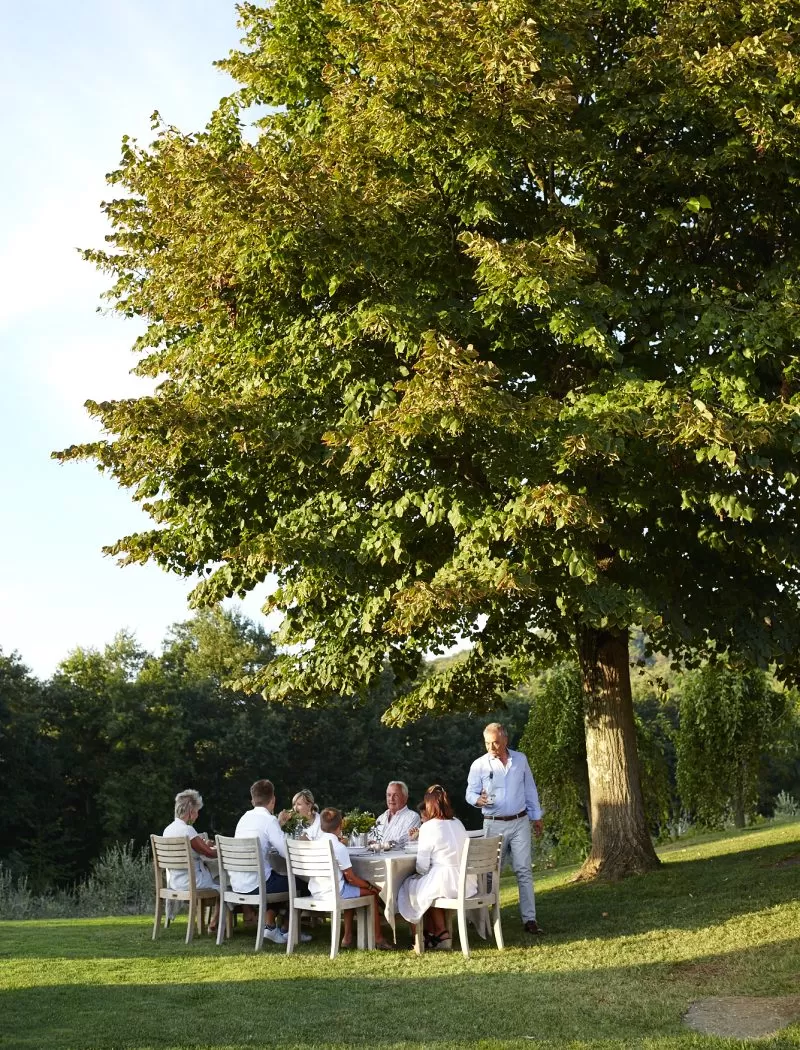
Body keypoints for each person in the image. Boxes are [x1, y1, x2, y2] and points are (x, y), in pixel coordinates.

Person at [466, 722, 545, 935]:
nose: (491, 747)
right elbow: (469, 794)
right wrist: (478, 800)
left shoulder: (520, 759)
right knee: (490, 873)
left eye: (496, 742)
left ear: (505, 741)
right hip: (493, 823)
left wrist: (536, 816)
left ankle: (530, 919)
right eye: (487, 743)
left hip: (519, 821)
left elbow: (530, 789)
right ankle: (486, 918)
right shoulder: (479, 764)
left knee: (524, 870)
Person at [232, 779, 310, 945]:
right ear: (273, 800)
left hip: (239, 884)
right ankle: (289, 930)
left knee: (282, 879)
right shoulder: (268, 821)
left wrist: (279, 825)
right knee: (302, 883)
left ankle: (271, 926)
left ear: (253, 799)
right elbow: (286, 852)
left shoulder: (244, 818)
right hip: (258, 884)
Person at [397, 784, 474, 951]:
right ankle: (437, 932)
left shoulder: (429, 827)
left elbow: (422, 866)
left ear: (429, 806)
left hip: (446, 881)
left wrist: (421, 872)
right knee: (427, 887)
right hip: (466, 881)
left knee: (410, 886)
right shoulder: (458, 823)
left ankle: (425, 935)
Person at [310, 808, 393, 950]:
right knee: (373, 894)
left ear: (321, 825)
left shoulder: (314, 844)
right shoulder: (338, 847)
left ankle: (347, 937)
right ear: (340, 826)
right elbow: (352, 879)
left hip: (316, 891)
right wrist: (370, 886)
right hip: (336, 892)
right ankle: (378, 938)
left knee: (352, 890)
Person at [162, 788, 221, 933]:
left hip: (175, 882)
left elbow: (197, 849)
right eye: (196, 811)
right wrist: (222, 849)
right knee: (226, 885)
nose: (198, 814)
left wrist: (203, 845)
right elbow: (209, 853)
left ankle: (213, 922)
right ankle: (216, 924)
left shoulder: (167, 830)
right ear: (190, 812)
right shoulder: (188, 831)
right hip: (193, 882)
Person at [372, 781, 421, 846]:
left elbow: (405, 841)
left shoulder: (413, 817)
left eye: (395, 795)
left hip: (400, 856)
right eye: (389, 795)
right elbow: (372, 838)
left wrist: (381, 845)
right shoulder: (381, 818)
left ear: (405, 798)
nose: (391, 799)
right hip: (376, 855)